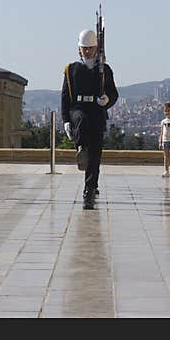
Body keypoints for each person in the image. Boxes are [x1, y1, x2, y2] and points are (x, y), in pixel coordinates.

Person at [61, 29, 119, 210]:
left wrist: (107, 100)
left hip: (96, 111)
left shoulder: (104, 70)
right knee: (82, 121)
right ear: (79, 49)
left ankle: (89, 189)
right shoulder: (71, 69)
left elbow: (113, 93)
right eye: (84, 48)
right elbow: (65, 97)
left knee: (95, 155)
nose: (87, 52)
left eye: (90, 48)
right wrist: (66, 120)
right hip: (78, 110)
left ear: (96, 48)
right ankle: (80, 146)